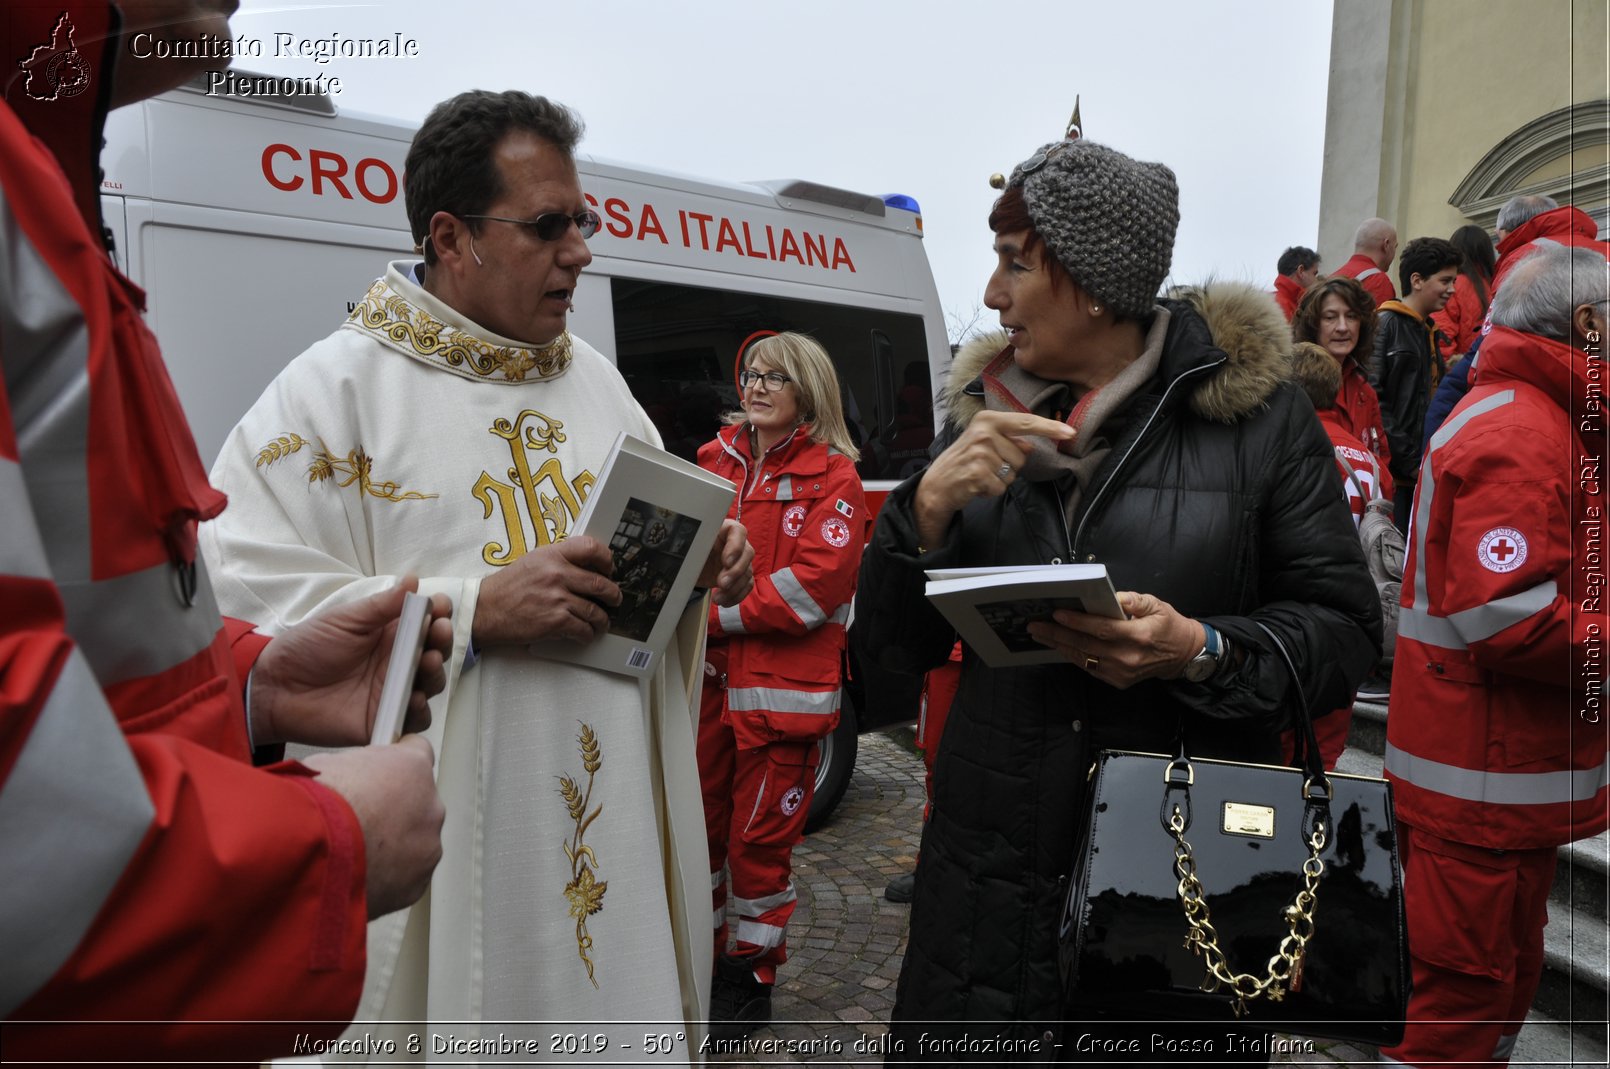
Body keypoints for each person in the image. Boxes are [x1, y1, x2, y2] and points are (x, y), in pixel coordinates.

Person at [201, 89, 754, 1057]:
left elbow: (646, 571)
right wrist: (470, 608)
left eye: (581, 221)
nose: (579, 249)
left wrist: (702, 567)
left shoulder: (598, 382)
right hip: (447, 839)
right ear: (450, 237)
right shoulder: (330, 394)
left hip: (606, 808)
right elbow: (235, 602)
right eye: (547, 225)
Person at [852, 130, 1380, 1060]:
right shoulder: (979, 414)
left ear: (1093, 282)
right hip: (988, 881)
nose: (990, 294)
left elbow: (1342, 636)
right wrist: (919, 516)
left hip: (1176, 881)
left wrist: (1201, 651)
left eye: (1016, 264)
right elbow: (887, 664)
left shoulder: (1258, 419)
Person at [0, 1, 451, 1061]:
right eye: (548, 223)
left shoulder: (36, 177)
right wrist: (318, 849)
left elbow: (89, 635)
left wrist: (251, 686)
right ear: (451, 237)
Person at [1380, 243, 1610, 1068]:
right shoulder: (1521, 430)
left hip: (1500, 781)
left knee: (1492, 992)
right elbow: (1509, 618)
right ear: (1587, 324)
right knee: (1460, 1008)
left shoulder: (1540, 418)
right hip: (1480, 784)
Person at [695, 332, 867, 1038]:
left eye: (775, 377)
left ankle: (749, 979)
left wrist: (712, 615)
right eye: (750, 375)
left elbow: (815, 591)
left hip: (779, 709)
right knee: (698, 838)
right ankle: (698, 962)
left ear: (808, 391)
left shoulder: (835, 477)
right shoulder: (711, 461)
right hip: (705, 695)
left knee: (757, 852)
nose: (756, 386)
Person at [1287, 341, 1397, 745]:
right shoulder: (1367, 456)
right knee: (1328, 736)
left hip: (1299, 597)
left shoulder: (1291, 442)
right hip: (1355, 602)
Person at [1371, 236, 1461, 532]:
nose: (1452, 290)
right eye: (1445, 280)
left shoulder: (1427, 330)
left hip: (1417, 468)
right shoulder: (1387, 324)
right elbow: (1375, 397)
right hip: (1397, 474)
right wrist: (1408, 459)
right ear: (1417, 280)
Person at [1292, 275, 1391, 468]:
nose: (1343, 327)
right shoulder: (1293, 384)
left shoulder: (1365, 391)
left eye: (1352, 316)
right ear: (1313, 324)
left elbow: (1381, 458)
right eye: (1330, 317)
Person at [1432, 224, 1496, 360]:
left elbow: (1442, 336)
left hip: (1462, 371)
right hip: (1491, 367)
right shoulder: (1498, 285)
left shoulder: (1451, 286)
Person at [1334, 217, 1400, 307]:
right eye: (1395, 247)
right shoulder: (1379, 281)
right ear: (1386, 245)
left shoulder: (1333, 278)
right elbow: (1381, 321)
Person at [1271, 245, 1321, 321]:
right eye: (1314, 274)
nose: (1316, 280)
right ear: (1301, 271)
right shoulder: (1280, 306)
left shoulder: (1273, 302)